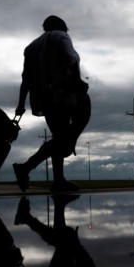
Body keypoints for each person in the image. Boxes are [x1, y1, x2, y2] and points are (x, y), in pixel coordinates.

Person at [13, 15, 91, 193]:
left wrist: (21, 104)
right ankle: (28, 166)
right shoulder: (61, 36)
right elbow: (70, 58)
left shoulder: (31, 47)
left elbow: (26, 78)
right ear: (61, 26)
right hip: (66, 93)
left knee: (59, 137)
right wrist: (77, 80)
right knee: (81, 117)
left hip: (45, 99)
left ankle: (57, 180)